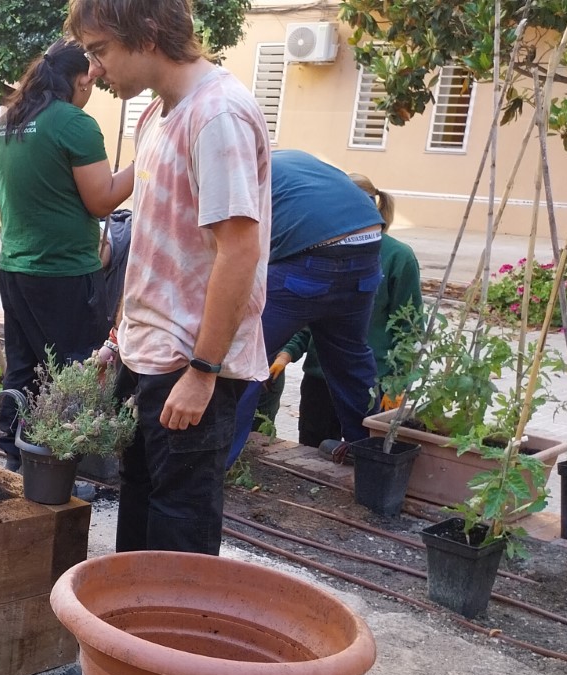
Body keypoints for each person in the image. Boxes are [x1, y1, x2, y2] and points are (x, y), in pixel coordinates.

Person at [68, 0, 271, 555]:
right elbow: (153, 246)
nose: (94, 70)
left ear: (148, 33)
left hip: (191, 362)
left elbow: (239, 251)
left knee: (180, 534)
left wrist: (203, 372)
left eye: (100, 50)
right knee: (139, 509)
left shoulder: (218, 115)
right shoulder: (155, 116)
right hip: (148, 356)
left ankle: (171, 619)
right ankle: (130, 615)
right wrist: (119, 337)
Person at [0, 39, 135, 470]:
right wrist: (145, 163)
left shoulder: (8, 122)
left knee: (24, 365)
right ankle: (65, 467)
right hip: (64, 272)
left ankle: (15, 455)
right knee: (76, 370)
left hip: (15, 266)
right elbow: (102, 201)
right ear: (78, 81)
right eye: (89, 84)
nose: (90, 92)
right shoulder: (74, 123)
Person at [226, 149, 385, 465]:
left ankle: (215, 464)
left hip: (311, 261)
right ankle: (372, 460)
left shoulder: (235, 173)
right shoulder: (294, 160)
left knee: (244, 358)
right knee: (351, 360)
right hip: (367, 250)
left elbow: (232, 252)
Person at [262, 173, 421, 450]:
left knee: (363, 449)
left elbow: (410, 327)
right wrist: (286, 353)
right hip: (319, 377)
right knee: (312, 450)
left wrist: (397, 382)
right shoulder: (319, 248)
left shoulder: (397, 256)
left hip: (371, 381)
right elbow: (309, 314)